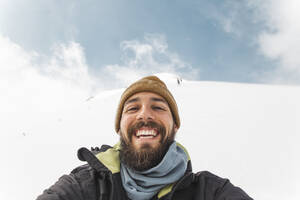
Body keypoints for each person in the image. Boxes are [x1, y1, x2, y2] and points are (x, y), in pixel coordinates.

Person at [37, 75, 253, 200]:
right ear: (120, 129)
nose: (145, 114)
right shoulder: (86, 185)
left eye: (158, 107)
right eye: (132, 109)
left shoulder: (210, 191)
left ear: (175, 126)